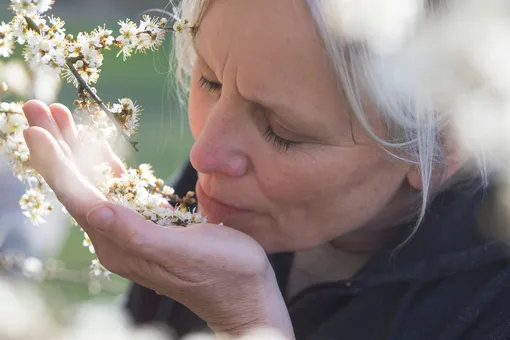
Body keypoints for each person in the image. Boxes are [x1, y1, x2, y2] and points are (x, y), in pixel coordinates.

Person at [21, 0, 510, 339]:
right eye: (210, 81)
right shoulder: (222, 192)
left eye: (282, 130)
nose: (203, 156)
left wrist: (246, 322)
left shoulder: (490, 309)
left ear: (444, 147)